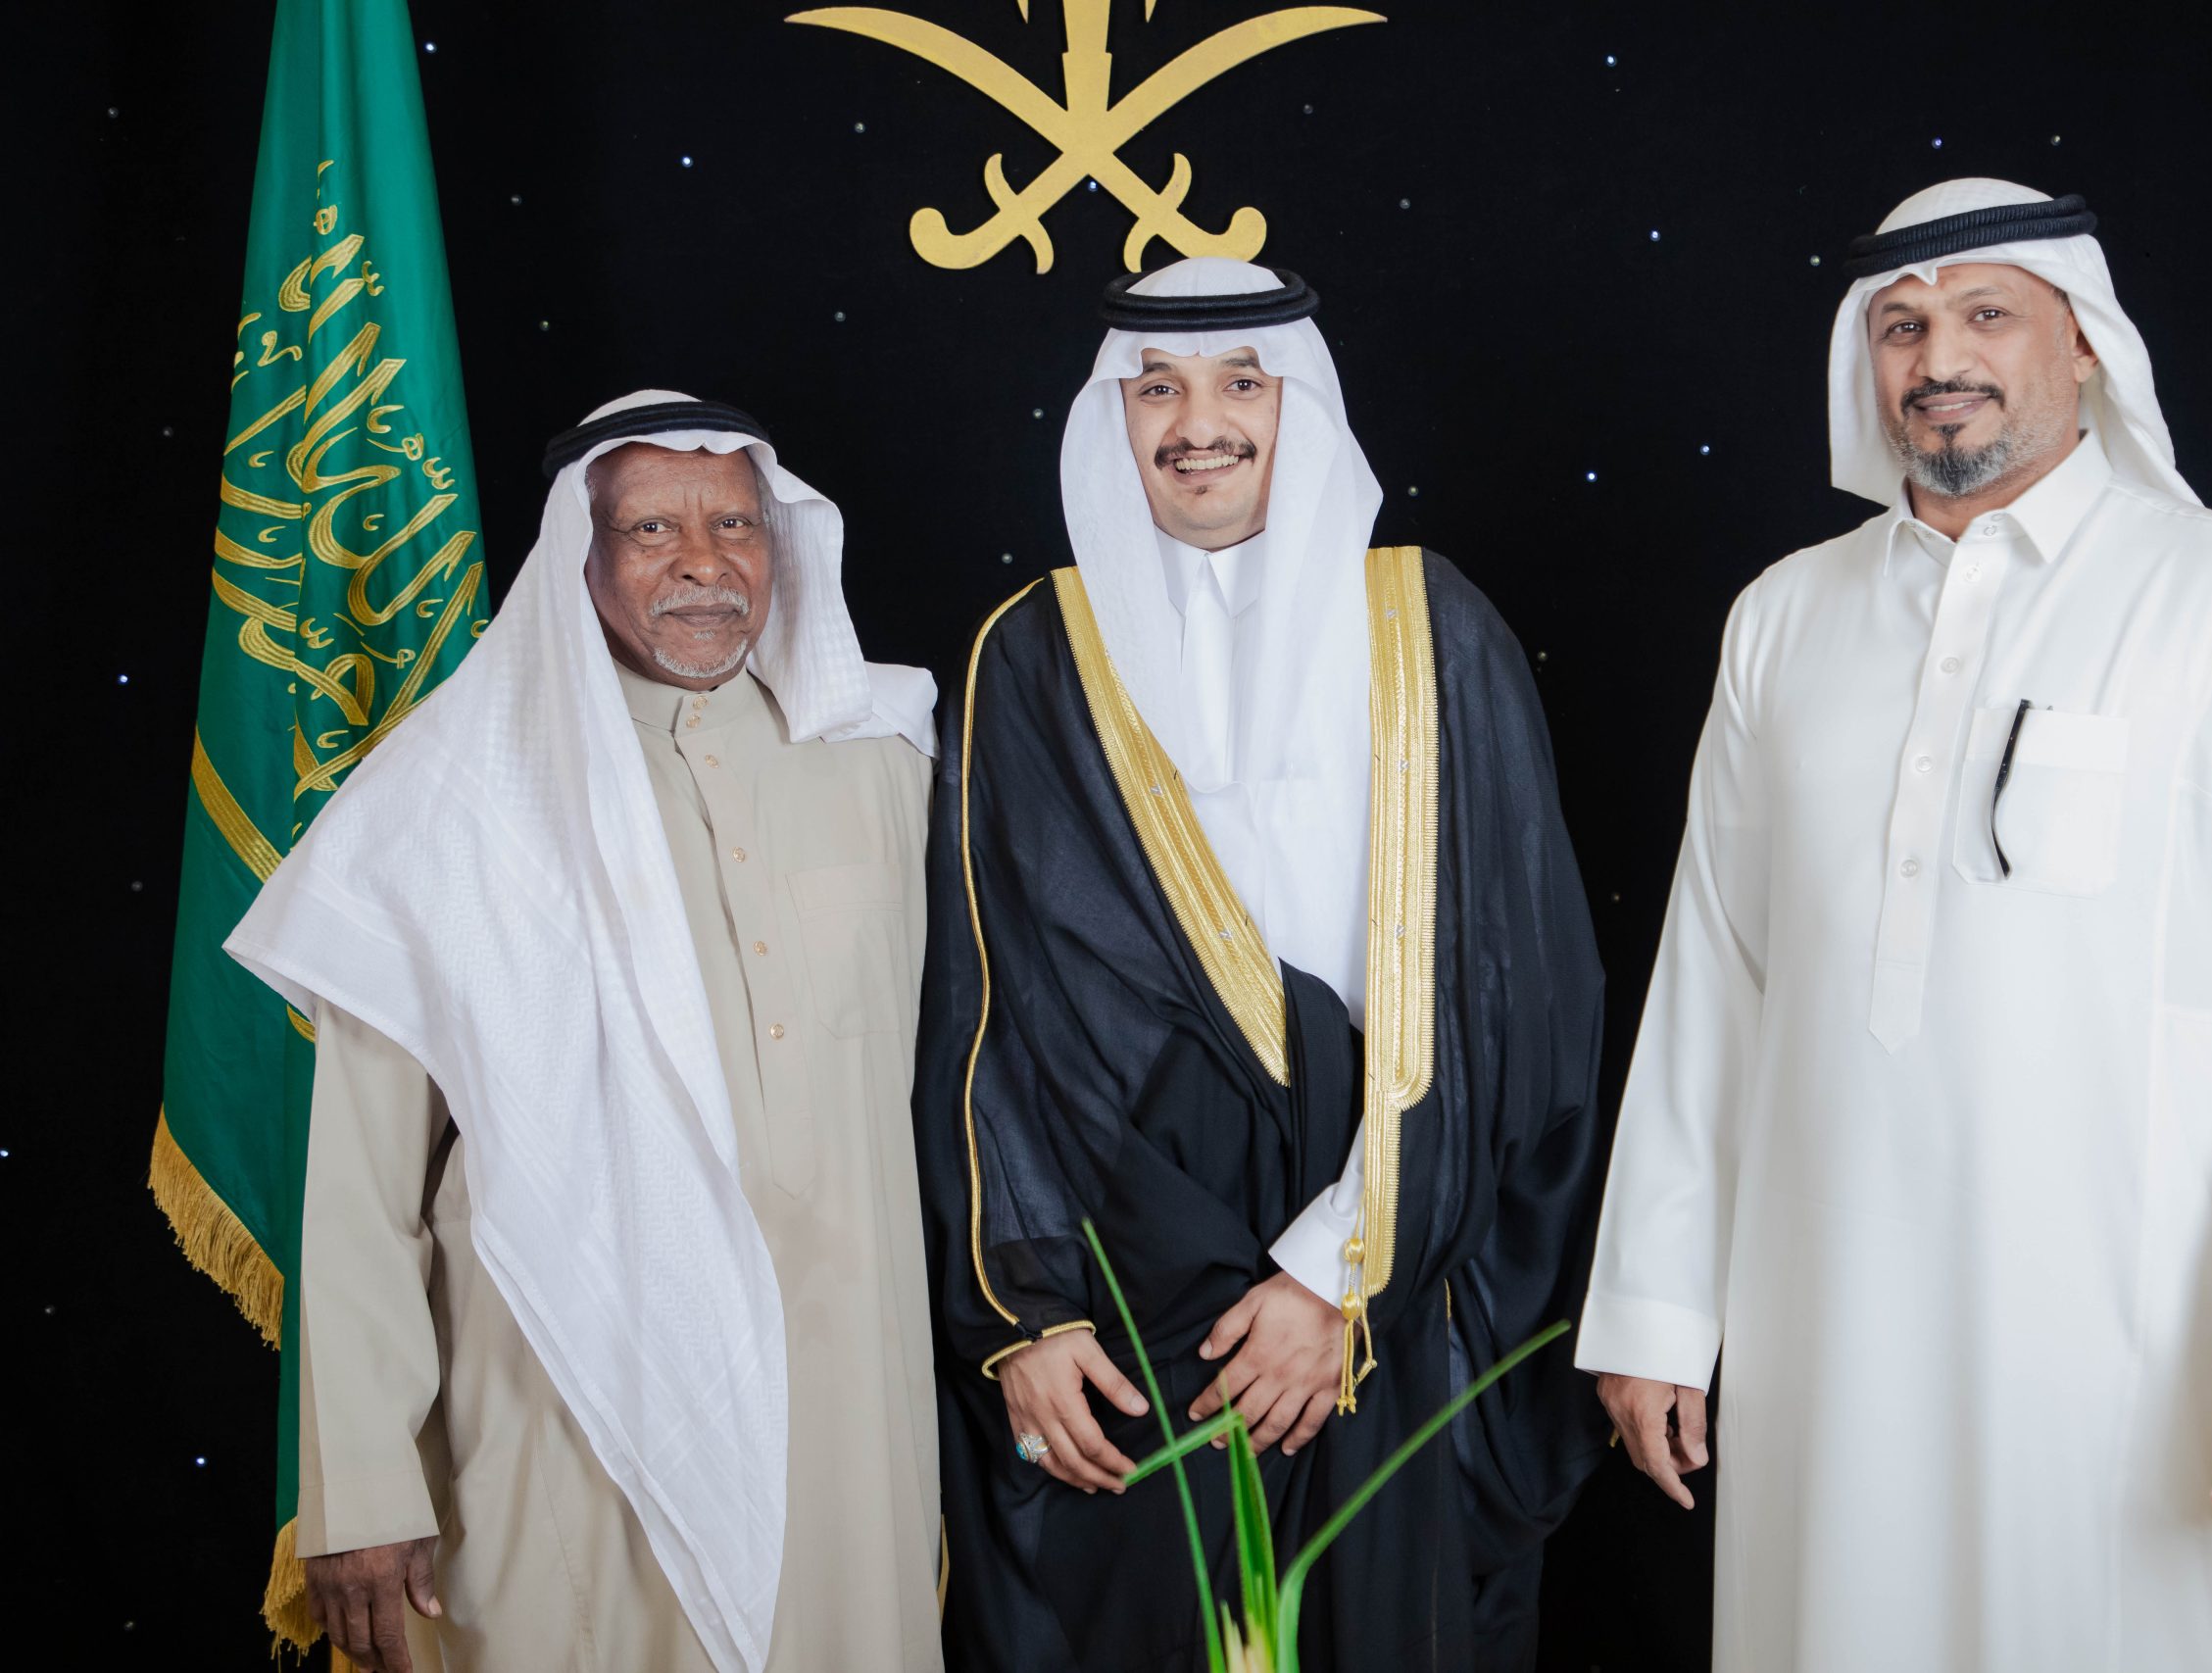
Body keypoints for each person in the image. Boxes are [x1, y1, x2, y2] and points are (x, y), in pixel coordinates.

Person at [1577, 179, 2212, 1671]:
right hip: (1822, 1325)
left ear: (2083, 344)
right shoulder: (1784, 616)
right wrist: (1652, 1307)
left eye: (1985, 314)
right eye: (1901, 325)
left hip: (2124, 1347)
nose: (1938, 357)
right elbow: (1715, 981)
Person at [916, 260, 1610, 1671]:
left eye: (1244, 384)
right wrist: (1026, 1315)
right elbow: (988, 1014)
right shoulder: (1033, 651)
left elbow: (1515, 994)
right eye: (1156, 390)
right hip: (1125, 1286)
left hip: (1388, 1264)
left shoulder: (1433, 627)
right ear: (1112, 420)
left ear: (1305, 406)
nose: (1198, 425)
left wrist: (1336, 1273)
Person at [227, 392, 945, 1673]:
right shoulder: (458, 798)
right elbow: (359, 1188)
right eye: (652, 530)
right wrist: (365, 1487)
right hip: (569, 1400)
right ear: (580, 554)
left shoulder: (885, 761)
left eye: (735, 525)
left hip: (849, 1402)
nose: (704, 563)